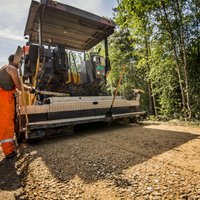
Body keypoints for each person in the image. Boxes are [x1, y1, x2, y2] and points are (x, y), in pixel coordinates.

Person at [0, 54, 34, 159]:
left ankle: (8, 147)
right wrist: (31, 89)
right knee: (7, 124)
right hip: (4, 98)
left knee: (5, 123)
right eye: (19, 62)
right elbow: (19, 86)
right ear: (15, 60)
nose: (20, 64)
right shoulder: (13, 69)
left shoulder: (5, 67)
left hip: (5, 97)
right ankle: (9, 152)